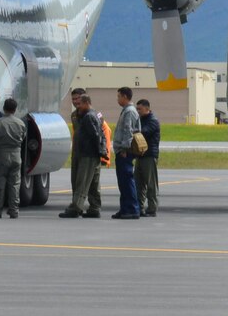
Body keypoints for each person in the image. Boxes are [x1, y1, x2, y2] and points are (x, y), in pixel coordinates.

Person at [62, 90, 106, 218]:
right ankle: (94, 208)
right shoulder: (75, 115)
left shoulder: (94, 114)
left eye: (78, 100)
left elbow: (99, 134)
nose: (76, 102)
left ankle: (77, 207)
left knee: (84, 180)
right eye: (74, 99)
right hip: (79, 151)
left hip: (88, 152)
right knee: (84, 181)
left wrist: (101, 151)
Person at [0, 98, 26, 219]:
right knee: (15, 184)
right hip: (16, 155)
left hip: (1, 155)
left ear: (4, 108)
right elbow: (23, 137)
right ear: (15, 109)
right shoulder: (21, 123)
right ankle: (14, 210)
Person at [111, 86, 142, 218]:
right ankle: (124, 208)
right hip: (122, 150)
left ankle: (132, 209)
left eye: (119, 96)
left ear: (124, 96)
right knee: (123, 182)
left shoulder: (129, 111)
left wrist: (124, 148)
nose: (117, 99)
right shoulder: (127, 110)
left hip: (125, 152)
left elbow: (128, 131)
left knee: (127, 181)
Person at [134, 98, 161, 217]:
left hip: (149, 156)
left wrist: (133, 131)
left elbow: (143, 133)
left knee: (151, 184)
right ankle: (139, 207)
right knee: (138, 184)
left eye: (140, 109)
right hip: (140, 155)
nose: (138, 111)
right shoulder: (141, 120)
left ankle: (152, 208)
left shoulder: (153, 121)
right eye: (137, 109)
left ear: (147, 108)